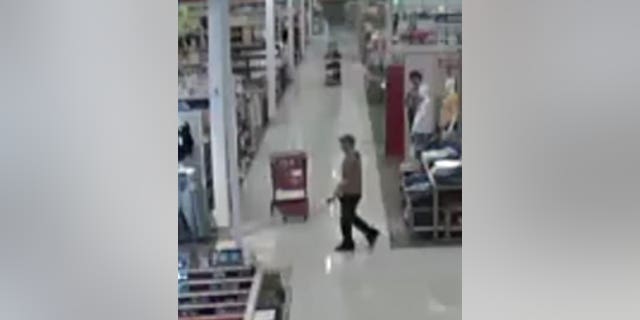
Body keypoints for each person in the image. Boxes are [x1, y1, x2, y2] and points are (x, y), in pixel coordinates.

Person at [331, 134, 380, 252]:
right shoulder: (354, 156)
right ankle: (369, 233)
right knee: (350, 217)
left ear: (349, 144)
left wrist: (337, 190)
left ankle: (349, 242)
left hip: (350, 192)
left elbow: (346, 178)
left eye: (343, 144)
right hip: (354, 191)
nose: (341, 146)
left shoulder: (350, 158)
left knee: (346, 218)